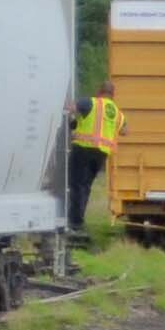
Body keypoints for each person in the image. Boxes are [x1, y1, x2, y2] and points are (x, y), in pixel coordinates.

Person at [64, 89, 121, 233]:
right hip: (101, 154)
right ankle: (79, 220)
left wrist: (72, 120)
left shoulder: (91, 102)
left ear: (99, 92)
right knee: (85, 186)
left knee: (76, 185)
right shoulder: (116, 111)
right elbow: (125, 130)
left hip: (83, 150)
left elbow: (70, 107)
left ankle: (75, 223)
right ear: (112, 95)